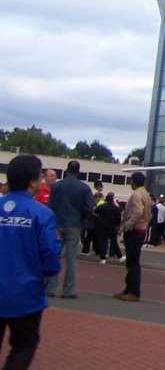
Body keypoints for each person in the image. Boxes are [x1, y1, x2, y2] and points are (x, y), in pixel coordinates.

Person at [0, 154, 62, 369]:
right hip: (25, 293)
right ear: (33, 181)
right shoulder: (42, 214)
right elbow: (50, 258)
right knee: (24, 344)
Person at [45, 160, 94, 299]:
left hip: (58, 223)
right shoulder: (84, 188)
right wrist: (82, 217)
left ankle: (51, 288)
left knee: (54, 256)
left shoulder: (57, 186)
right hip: (74, 224)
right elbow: (89, 206)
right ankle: (68, 289)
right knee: (71, 259)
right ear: (78, 171)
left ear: (66, 170)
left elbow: (50, 205)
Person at [115, 172, 153, 302]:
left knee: (132, 262)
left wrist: (127, 225)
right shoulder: (145, 194)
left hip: (135, 230)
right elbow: (148, 213)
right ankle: (129, 288)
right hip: (141, 229)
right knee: (132, 261)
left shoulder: (137, 194)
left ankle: (134, 291)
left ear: (133, 182)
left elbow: (138, 211)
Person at [92, 192, 123, 264]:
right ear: (112, 200)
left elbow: (96, 211)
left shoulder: (103, 206)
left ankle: (103, 258)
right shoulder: (117, 209)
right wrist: (117, 225)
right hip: (112, 227)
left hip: (102, 226)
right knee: (114, 242)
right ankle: (120, 256)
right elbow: (119, 219)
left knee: (103, 241)